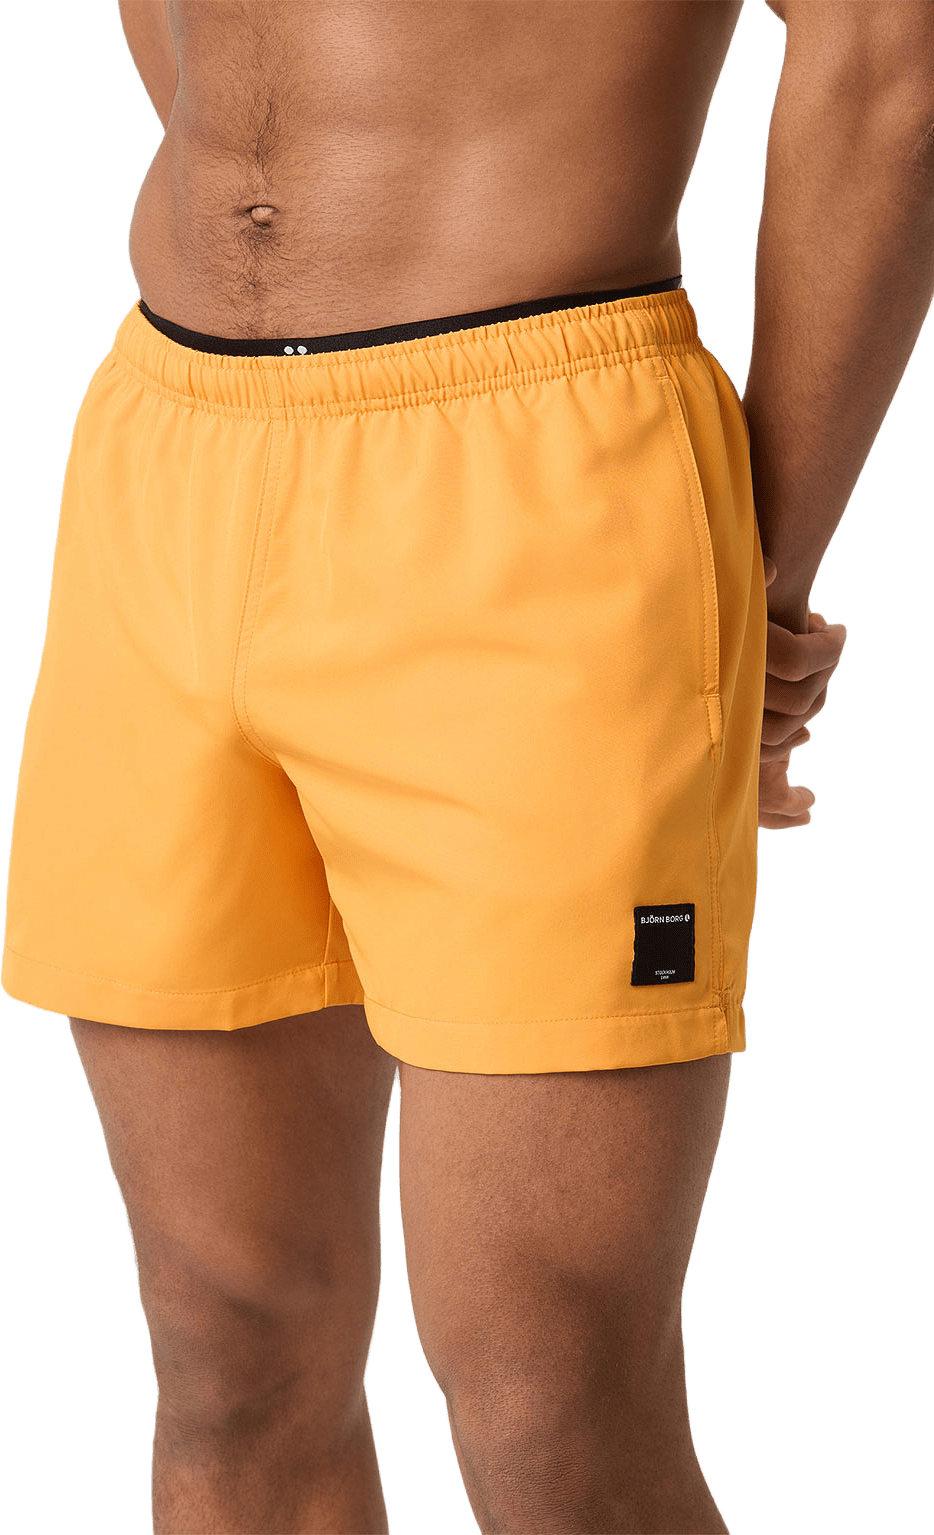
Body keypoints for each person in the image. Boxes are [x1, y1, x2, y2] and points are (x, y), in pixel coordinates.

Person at [1, 2, 930, 1531]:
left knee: (548, 1382)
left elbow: (890, 57)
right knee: (229, 1349)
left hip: (532, 456)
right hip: (167, 455)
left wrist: (751, 569)